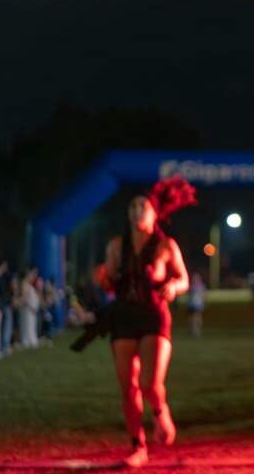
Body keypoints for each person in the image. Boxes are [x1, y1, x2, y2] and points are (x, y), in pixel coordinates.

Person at [98, 176, 194, 467]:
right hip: (124, 316)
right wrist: (103, 277)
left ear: (154, 213)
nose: (138, 208)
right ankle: (137, 446)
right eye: (134, 205)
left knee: (151, 384)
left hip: (154, 314)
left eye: (144, 205)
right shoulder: (116, 246)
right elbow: (110, 282)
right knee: (128, 386)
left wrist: (174, 287)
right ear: (129, 214)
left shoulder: (166, 245)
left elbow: (184, 279)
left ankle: (160, 410)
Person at [18, 267, 40, 349]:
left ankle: (30, 340)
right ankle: (27, 340)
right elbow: (25, 298)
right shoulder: (24, 284)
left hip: (30, 309)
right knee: (27, 325)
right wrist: (31, 307)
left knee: (31, 325)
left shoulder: (28, 284)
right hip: (27, 309)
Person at [186, 272, 206, 337]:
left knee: (196, 318)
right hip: (192, 305)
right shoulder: (192, 287)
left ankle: (196, 331)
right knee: (192, 318)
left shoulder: (200, 287)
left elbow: (203, 296)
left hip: (197, 305)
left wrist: (203, 302)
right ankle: (193, 331)